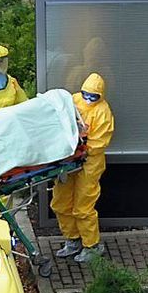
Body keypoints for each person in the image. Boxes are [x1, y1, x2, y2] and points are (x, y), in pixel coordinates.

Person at [51, 72, 114, 264]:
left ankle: (92, 245)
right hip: (69, 158)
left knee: (83, 206)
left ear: (100, 96)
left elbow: (98, 143)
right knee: (61, 202)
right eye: (86, 94)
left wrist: (81, 147)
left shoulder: (103, 112)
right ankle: (72, 240)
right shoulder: (74, 99)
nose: (88, 99)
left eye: (93, 96)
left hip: (89, 163)